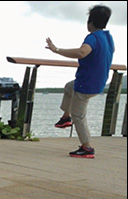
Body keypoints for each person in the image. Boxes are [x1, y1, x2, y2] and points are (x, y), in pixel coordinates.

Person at [46, 5, 114, 159]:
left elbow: (82, 52)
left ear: (90, 22)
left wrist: (57, 50)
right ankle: (65, 117)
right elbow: (107, 52)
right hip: (98, 81)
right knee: (69, 87)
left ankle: (87, 147)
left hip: (86, 84)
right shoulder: (108, 37)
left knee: (79, 116)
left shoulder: (92, 37)